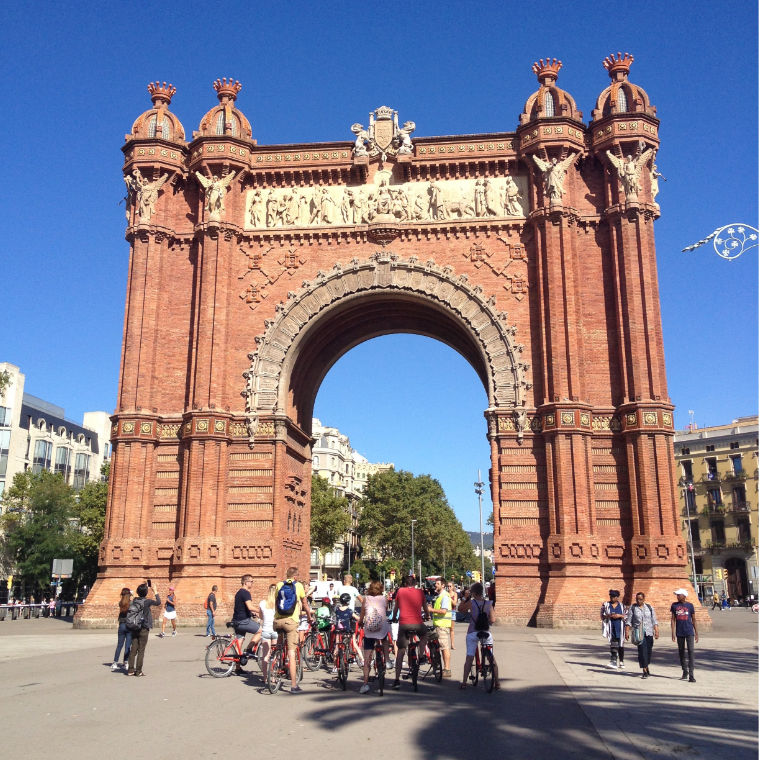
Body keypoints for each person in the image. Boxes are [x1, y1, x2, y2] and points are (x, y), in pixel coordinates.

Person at [273, 566, 312, 693]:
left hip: (277, 621)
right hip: (291, 621)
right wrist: (309, 616)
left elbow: (276, 602)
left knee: (279, 645)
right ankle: (294, 685)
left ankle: (274, 667)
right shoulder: (298, 586)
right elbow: (305, 603)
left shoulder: (279, 585)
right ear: (295, 576)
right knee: (291, 652)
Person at [391, 574, 432, 689]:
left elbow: (396, 607)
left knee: (401, 651)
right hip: (418, 624)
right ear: (414, 583)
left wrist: (394, 617)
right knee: (424, 635)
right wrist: (428, 616)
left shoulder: (400, 591)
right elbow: (425, 607)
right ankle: (421, 654)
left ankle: (397, 679)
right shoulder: (419, 592)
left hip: (404, 624)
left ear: (405, 583)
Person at [458, 581, 499, 690]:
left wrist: (465, 598)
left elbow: (460, 610)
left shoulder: (471, 603)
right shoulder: (489, 604)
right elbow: (493, 620)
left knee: (469, 657)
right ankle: (497, 683)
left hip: (473, 632)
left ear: (473, 593)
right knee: (491, 657)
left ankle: (464, 683)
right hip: (486, 632)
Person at [358, 579, 391, 694]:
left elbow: (362, 613)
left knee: (367, 657)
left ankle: (365, 684)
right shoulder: (384, 599)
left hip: (369, 630)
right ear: (381, 589)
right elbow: (384, 610)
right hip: (381, 629)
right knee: (385, 638)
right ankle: (387, 660)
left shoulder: (366, 599)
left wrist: (361, 621)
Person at [127, 583, 161, 676]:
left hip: (134, 627)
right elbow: (158, 602)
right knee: (141, 650)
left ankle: (130, 670)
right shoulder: (147, 602)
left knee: (133, 649)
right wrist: (155, 591)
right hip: (144, 627)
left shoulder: (134, 601)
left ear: (138, 592)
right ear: (146, 593)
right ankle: (138, 671)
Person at [231, 574, 262, 673]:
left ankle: (238, 668)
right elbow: (250, 607)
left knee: (239, 642)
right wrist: (261, 611)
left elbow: (243, 608)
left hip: (236, 620)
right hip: (243, 621)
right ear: (246, 582)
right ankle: (248, 650)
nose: (252, 583)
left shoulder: (239, 593)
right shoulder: (245, 593)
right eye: (251, 581)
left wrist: (253, 614)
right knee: (261, 631)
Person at [624, 592, 659, 678]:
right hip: (639, 633)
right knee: (642, 651)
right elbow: (628, 620)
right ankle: (644, 670)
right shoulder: (633, 608)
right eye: (637, 599)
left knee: (648, 651)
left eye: (640, 599)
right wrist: (627, 631)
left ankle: (646, 665)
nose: (638, 601)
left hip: (649, 632)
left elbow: (654, 620)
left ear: (644, 599)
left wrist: (656, 630)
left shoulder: (649, 608)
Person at [671, 588, 698, 682]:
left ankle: (691, 674)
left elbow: (693, 619)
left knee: (691, 652)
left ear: (684, 596)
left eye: (679, 595)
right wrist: (673, 633)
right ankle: (684, 670)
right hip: (679, 632)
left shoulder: (690, 606)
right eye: (677, 595)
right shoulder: (674, 605)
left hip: (689, 631)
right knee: (681, 652)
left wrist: (696, 633)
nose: (677, 596)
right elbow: (673, 619)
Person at [430, 578, 453, 677]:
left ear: (443, 585)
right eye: (436, 583)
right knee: (435, 646)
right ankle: (438, 666)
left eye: (438, 584)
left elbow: (443, 611)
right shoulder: (439, 596)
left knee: (444, 647)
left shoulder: (445, 596)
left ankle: (447, 669)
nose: (436, 585)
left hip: (442, 625)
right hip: (437, 624)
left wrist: (431, 610)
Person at [601, 589, 626, 670]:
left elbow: (627, 616)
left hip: (620, 627)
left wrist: (619, 616)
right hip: (611, 627)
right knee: (613, 643)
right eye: (610, 596)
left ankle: (621, 661)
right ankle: (613, 660)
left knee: (621, 644)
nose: (611, 598)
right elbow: (602, 616)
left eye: (613, 597)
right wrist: (608, 615)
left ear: (617, 597)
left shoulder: (622, 606)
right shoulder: (606, 605)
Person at [258, 584, 278, 681]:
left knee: (265, 655)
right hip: (275, 631)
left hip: (265, 630)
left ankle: (265, 677)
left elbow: (261, 616)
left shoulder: (262, 603)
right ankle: (273, 677)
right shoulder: (278, 604)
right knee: (274, 655)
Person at [112, 587, 132, 671]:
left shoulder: (120, 603)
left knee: (119, 645)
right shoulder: (131, 603)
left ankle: (115, 662)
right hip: (129, 625)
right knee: (127, 646)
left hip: (122, 625)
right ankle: (125, 662)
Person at [447, 581, 459, 649]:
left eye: (450, 586)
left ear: (453, 587)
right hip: (446, 611)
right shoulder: (445, 594)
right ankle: (445, 644)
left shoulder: (455, 594)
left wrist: (449, 598)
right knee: (445, 629)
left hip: (452, 611)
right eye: (448, 586)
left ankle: (452, 644)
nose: (449, 588)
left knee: (451, 629)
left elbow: (454, 603)